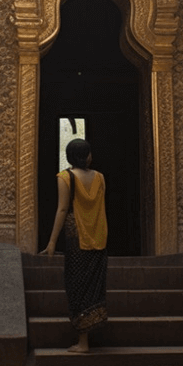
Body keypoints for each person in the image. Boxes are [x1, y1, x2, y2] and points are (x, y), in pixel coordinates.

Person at [40, 138, 107, 353]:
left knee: (77, 285)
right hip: (98, 236)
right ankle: (87, 336)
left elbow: (62, 209)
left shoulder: (65, 177)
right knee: (93, 286)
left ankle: (83, 341)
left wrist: (51, 242)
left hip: (76, 236)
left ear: (70, 156)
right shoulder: (100, 178)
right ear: (87, 156)